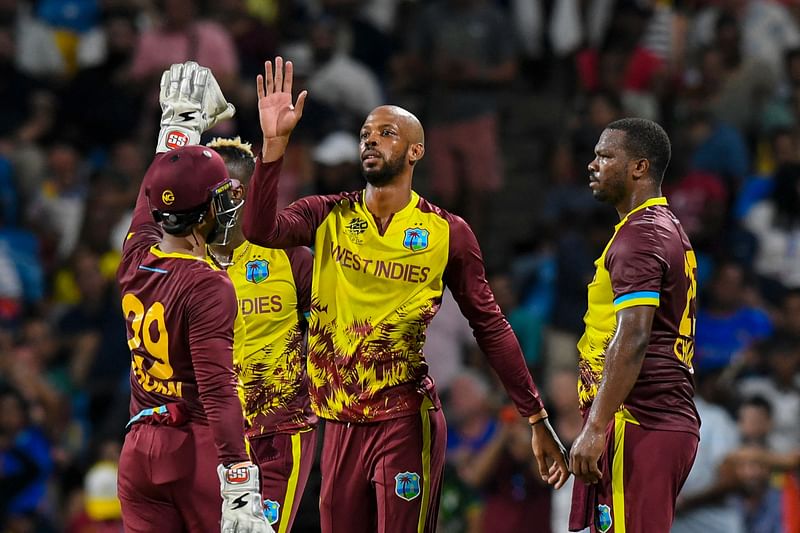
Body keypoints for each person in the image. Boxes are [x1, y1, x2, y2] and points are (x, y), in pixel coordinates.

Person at [242, 56, 569, 533]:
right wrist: (273, 148)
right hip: (339, 421)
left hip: (403, 419)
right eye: (365, 135)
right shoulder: (328, 213)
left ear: (416, 152)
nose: (370, 140)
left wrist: (535, 415)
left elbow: (491, 325)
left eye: (386, 132)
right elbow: (262, 229)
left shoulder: (446, 232)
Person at [116, 62, 270, 533]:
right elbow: (217, 391)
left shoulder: (135, 253)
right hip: (193, 449)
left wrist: (178, 126)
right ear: (207, 211)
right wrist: (240, 480)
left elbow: (150, 193)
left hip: (138, 450)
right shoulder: (207, 284)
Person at [568, 118, 701, 532]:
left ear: (639, 168)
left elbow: (635, 335)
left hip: (641, 419)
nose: (593, 165)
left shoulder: (640, 237)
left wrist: (593, 428)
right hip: (648, 418)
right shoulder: (660, 228)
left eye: (606, 156)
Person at [205, 136, 318, 533]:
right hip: (209, 439)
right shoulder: (184, 264)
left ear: (235, 194)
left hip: (279, 437)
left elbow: (330, 338)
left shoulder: (291, 257)